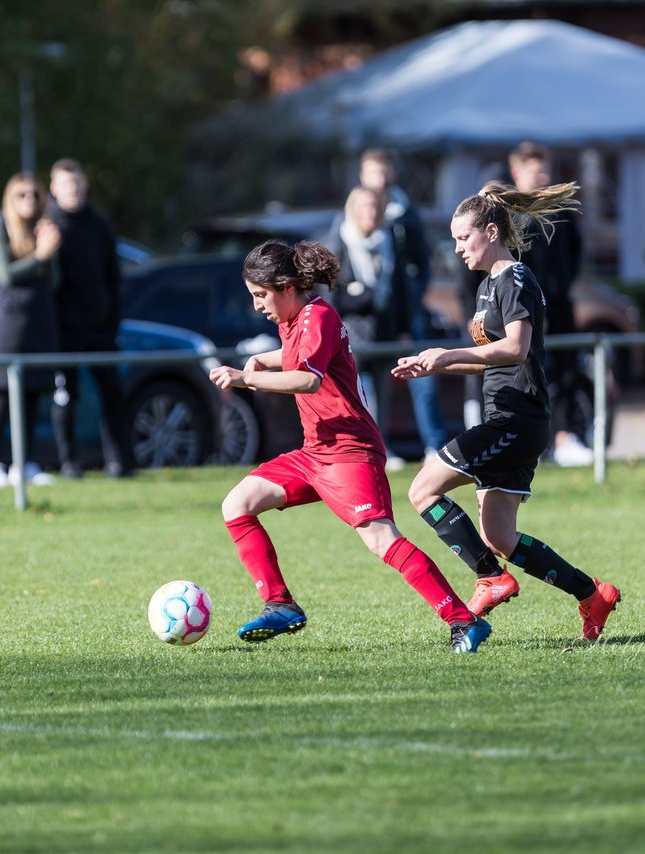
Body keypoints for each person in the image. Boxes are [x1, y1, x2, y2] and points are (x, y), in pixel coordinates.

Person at [209, 239, 491, 653]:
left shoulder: (317, 315)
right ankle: (280, 604)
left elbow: (308, 378)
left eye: (260, 295)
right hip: (314, 453)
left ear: (286, 286)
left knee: (380, 539)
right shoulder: (297, 319)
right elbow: (295, 356)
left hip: (349, 451)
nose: (257, 306)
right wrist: (263, 360)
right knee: (237, 504)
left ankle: (462, 621)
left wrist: (246, 377)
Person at [392, 181, 622, 641]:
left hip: (516, 419)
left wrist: (447, 353)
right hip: (508, 416)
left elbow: (515, 349)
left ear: (491, 231)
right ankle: (592, 593)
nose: (457, 248)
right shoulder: (487, 286)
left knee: (423, 489)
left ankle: (489, 577)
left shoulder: (515, 279)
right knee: (499, 535)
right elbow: (492, 359)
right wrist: (434, 365)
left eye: (463, 237)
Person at [355, 149, 448, 462]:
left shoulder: (404, 213)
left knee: (422, 376)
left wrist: (413, 295)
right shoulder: (352, 218)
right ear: (362, 176)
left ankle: (434, 446)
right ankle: (378, 448)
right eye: (373, 173)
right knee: (371, 386)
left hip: (405, 313)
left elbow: (421, 262)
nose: (379, 180)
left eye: (383, 173)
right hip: (368, 321)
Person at [506, 142, 592, 467]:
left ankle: (565, 436)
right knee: (527, 371)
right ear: (517, 173)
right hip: (525, 307)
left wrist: (562, 287)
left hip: (559, 303)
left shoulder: (563, 210)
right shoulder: (510, 214)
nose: (542, 175)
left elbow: (575, 252)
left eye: (545, 169)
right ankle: (531, 441)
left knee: (567, 370)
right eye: (534, 170)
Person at [45, 158, 132, 479]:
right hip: (65, 333)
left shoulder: (99, 225)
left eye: (78, 183)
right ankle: (69, 463)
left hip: (100, 329)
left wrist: (112, 317)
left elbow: (113, 275)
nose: (74, 190)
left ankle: (119, 462)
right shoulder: (48, 226)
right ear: (54, 188)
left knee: (113, 395)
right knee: (66, 397)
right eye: (67, 184)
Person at [0, 173, 62, 489]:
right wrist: (40, 255)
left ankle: (22, 462)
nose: (30, 201)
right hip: (8, 327)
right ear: (9, 199)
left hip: (38, 327)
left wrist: (49, 253)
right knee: (2, 395)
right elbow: (7, 275)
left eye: (35, 195)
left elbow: (55, 281)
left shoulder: (41, 230)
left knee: (32, 396)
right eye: (22, 195)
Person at [325, 186, 408, 461]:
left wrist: (402, 328)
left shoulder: (388, 241)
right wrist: (362, 294)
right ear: (353, 209)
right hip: (352, 335)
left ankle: (381, 448)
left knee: (384, 395)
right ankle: (359, 450)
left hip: (383, 332)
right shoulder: (340, 241)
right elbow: (333, 294)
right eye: (364, 206)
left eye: (374, 206)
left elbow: (399, 289)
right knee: (358, 394)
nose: (370, 212)